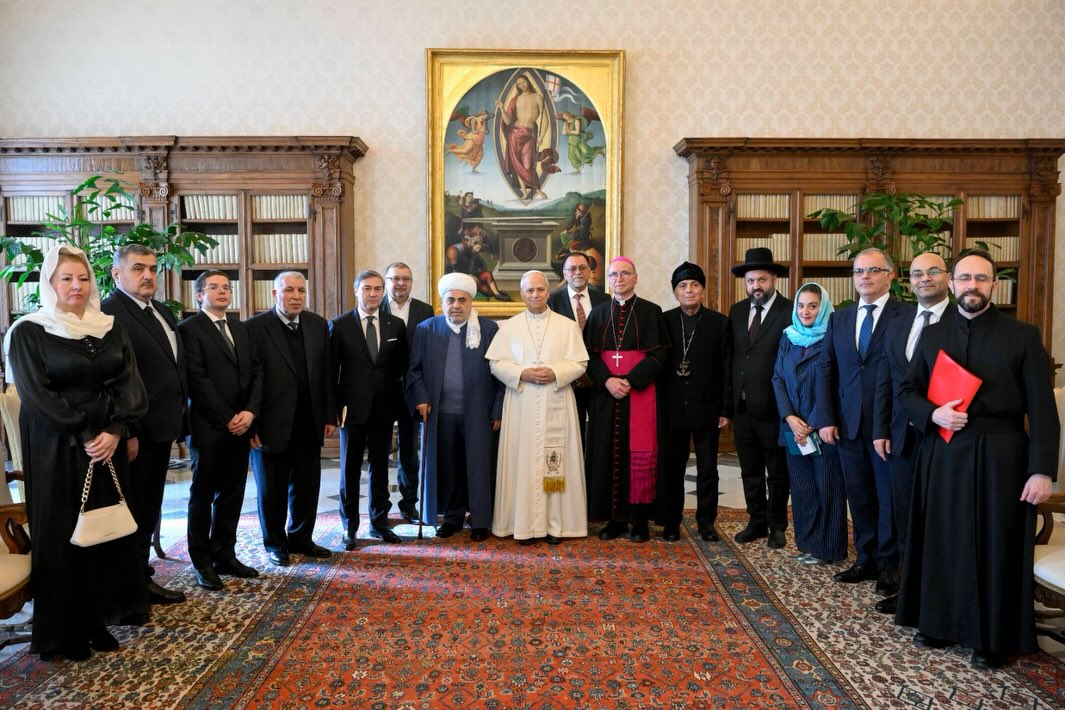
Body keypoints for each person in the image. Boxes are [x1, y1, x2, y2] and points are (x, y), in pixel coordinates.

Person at [896, 249, 1059, 669]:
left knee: (995, 544)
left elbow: (1043, 409)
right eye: (965, 278)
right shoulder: (933, 334)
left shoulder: (1022, 335)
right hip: (945, 450)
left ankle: (992, 638)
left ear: (993, 284)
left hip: (1003, 456)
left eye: (981, 279)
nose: (972, 286)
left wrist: (1042, 470)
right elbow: (907, 392)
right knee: (943, 537)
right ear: (952, 284)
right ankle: (939, 623)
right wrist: (933, 414)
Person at [4, 244, 148, 661]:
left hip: (108, 442)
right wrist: (86, 432)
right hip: (58, 444)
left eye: (83, 278)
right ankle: (63, 632)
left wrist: (116, 430)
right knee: (64, 533)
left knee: (103, 531)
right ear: (49, 283)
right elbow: (36, 393)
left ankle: (95, 619)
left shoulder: (109, 326)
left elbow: (130, 381)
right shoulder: (30, 330)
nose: (76, 286)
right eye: (66, 278)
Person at [814, 248, 911, 595]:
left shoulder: (907, 315)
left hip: (889, 426)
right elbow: (826, 369)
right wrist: (825, 418)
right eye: (859, 271)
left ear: (890, 275)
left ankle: (888, 565)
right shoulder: (840, 319)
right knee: (860, 496)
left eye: (873, 270)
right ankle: (865, 559)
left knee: (888, 498)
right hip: (848, 424)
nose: (865, 277)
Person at [100, 244, 187, 606]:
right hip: (135, 433)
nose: (148, 275)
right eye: (138, 269)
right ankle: (130, 584)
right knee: (133, 509)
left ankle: (141, 574)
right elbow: (112, 379)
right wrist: (129, 431)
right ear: (117, 274)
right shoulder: (108, 313)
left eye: (152, 268)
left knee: (150, 506)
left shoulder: (160, 310)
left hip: (162, 426)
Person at [870, 251, 954, 615]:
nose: (924, 279)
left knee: (941, 520)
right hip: (901, 437)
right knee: (905, 518)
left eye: (932, 272)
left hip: (945, 438)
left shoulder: (961, 320)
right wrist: (881, 428)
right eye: (917, 273)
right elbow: (886, 379)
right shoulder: (900, 321)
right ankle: (909, 593)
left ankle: (940, 598)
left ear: (948, 278)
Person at [487, 270, 589, 544]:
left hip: (557, 400)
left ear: (548, 292)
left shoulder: (567, 326)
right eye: (529, 290)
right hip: (522, 404)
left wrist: (555, 372)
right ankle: (523, 526)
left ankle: (556, 526)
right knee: (522, 462)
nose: (535, 295)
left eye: (540, 289)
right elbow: (496, 363)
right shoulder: (509, 327)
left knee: (555, 461)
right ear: (522, 294)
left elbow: (580, 363)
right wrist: (523, 373)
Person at [179, 270, 262, 591]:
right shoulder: (189, 329)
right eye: (214, 287)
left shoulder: (241, 328)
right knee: (202, 497)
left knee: (232, 495)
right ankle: (202, 562)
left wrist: (250, 412)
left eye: (226, 287)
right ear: (200, 295)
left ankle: (225, 555)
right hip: (209, 428)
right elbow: (197, 379)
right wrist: (228, 417)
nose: (223, 291)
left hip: (241, 427)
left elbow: (257, 372)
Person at [246, 272, 334, 566]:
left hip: (309, 421)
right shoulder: (255, 328)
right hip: (269, 424)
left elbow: (326, 374)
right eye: (288, 290)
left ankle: (301, 538)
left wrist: (328, 415)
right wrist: (252, 424)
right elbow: (249, 379)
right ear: (275, 294)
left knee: (307, 486)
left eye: (300, 290)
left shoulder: (318, 325)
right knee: (271, 489)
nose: (296, 296)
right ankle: (275, 543)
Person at [406, 273, 503, 541]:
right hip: (441, 414)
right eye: (451, 300)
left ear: (471, 302)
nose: (456, 305)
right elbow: (414, 371)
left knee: (479, 466)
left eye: (462, 300)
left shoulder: (489, 329)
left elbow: (501, 373)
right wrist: (421, 398)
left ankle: (480, 520)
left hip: (479, 413)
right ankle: (452, 517)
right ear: (443, 302)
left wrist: (497, 409)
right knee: (448, 467)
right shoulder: (427, 329)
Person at [583, 256, 669, 543]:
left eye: (624, 274)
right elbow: (589, 356)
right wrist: (608, 380)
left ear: (635, 278)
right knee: (607, 454)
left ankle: (640, 521)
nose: (618, 279)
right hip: (606, 395)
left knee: (639, 456)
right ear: (607, 280)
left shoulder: (651, 311)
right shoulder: (598, 314)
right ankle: (614, 519)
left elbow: (660, 355)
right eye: (613, 275)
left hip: (640, 394)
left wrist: (630, 381)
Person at [330, 270, 409, 548]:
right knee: (349, 470)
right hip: (351, 410)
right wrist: (333, 410)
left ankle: (379, 524)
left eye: (377, 289)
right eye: (367, 288)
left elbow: (402, 367)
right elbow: (331, 372)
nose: (373, 294)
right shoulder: (340, 325)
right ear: (357, 291)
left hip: (384, 409)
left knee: (380, 469)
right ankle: (349, 527)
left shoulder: (395, 325)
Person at [771, 283, 847, 565]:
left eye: (813, 306)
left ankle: (830, 549)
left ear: (823, 307)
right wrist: (790, 418)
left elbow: (837, 385)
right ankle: (808, 544)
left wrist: (813, 422)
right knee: (802, 490)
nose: (806, 311)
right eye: (801, 305)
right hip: (793, 429)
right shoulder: (788, 337)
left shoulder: (833, 338)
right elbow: (777, 378)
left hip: (822, 428)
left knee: (829, 490)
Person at [659, 262, 731, 542]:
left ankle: (706, 522)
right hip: (672, 408)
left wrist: (725, 408)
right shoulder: (664, 321)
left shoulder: (719, 323)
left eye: (694, 285)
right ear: (675, 292)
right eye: (682, 286)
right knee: (672, 468)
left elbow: (726, 368)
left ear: (702, 290)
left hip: (707, 408)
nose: (688, 290)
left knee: (708, 469)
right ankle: (670, 521)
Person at [727, 247, 792, 549]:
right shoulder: (737, 311)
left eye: (762, 280)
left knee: (777, 472)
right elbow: (734, 357)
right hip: (742, 406)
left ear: (774, 279)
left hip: (775, 407)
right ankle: (756, 521)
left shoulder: (789, 311)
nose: (756, 286)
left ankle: (777, 525)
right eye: (751, 281)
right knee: (749, 469)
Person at [379, 262, 435, 524]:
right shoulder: (375, 306)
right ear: (387, 281)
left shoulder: (425, 310)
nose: (400, 283)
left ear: (412, 282)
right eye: (395, 278)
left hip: (411, 389)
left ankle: (409, 504)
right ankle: (379, 505)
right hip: (382, 390)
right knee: (379, 449)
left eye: (406, 279)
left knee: (410, 451)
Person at [546, 251, 608, 445]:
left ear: (589, 271)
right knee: (571, 435)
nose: (578, 272)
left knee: (600, 432)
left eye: (582, 268)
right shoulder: (552, 302)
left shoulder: (605, 300)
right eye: (572, 269)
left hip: (599, 378)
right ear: (565, 274)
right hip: (568, 380)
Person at [495, 73, 558, 200]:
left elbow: (545, 119)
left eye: (523, 82)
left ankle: (537, 190)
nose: (522, 85)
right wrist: (502, 108)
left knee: (527, 165)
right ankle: (524, 193)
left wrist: (541, 136)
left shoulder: (538, 97)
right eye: (519, 84)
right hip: (514, 134)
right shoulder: (515, 99)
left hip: (529, 135)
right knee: (517, 165)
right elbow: (508, 121)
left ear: (528, 81)